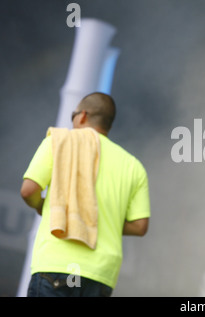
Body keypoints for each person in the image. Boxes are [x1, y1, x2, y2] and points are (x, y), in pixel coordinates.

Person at [21, 92, 151, 297]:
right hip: (100, 275)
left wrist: (42, 205)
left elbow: (29, 190)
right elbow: (140, 226)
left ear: (82, 116)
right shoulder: (134, 166)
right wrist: (102, 219)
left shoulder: (59, 141)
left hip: (57, 265)